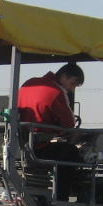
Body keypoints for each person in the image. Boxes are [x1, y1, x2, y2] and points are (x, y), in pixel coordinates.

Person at [17, 62, 85, 197]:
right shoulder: (56, 91)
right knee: (71, 153)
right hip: (37, 147)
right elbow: (69, 123)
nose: (72, 90)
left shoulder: (29, 83)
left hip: (18, 143)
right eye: (72, 84)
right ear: (63, 76)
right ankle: (62, 198)